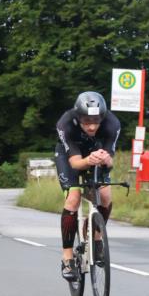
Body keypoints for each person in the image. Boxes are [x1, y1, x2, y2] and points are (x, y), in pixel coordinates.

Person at [55, 91, 121, 280]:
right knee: (73, 198)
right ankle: (67, 258)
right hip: (70, 157)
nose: (92, 126)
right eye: (86, 121)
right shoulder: (65, 123)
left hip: (95, 154)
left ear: (103, 118)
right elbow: (76, 164)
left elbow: (110, 162)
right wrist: (89, 160)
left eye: (96, 121)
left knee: (105, 196)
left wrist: (106, 160)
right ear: (78, 117)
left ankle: (96, 238)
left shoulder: (112, 124)